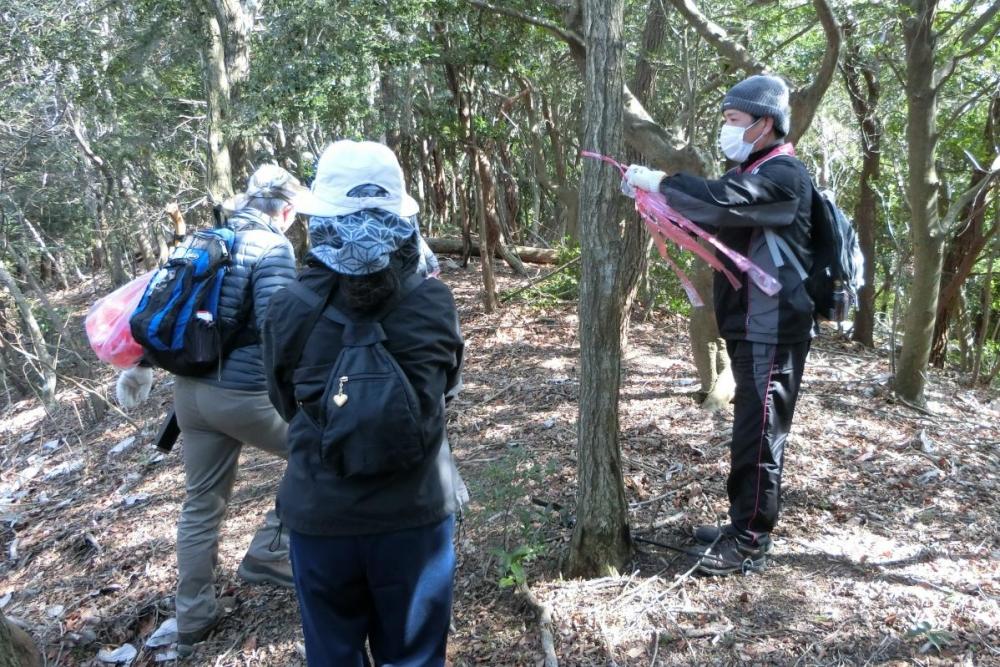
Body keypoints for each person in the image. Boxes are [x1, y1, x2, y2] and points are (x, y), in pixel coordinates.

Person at [263, 140, 465, 666]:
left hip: (320, 515)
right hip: (415, 514)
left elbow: (282, 400)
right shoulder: (432, 301)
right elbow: (446, 389)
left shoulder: (288, 305)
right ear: (399, 218)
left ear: (320, 218)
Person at [624, 75, 813, 576]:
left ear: (764, 123)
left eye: (733, 121)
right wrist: (656, 198)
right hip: (752, 323)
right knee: (751, 427)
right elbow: (712, 215)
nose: (725, 130)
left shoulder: (783, 175)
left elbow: (719, 201)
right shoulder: (753, 170)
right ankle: (741, 523)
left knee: (759, 433)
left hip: (773, 328)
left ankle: (750, 539)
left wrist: (661, 182)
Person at [116, 164, 302, 654]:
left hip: (190, 397)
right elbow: (277, 327)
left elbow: (167, 305)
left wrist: (142, 365)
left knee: (201, 504)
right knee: (320, 451)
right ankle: (269, 547)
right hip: (240, 395)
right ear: (285, 211)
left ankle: (193, 615)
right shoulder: (273, 247)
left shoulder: (202, 238)